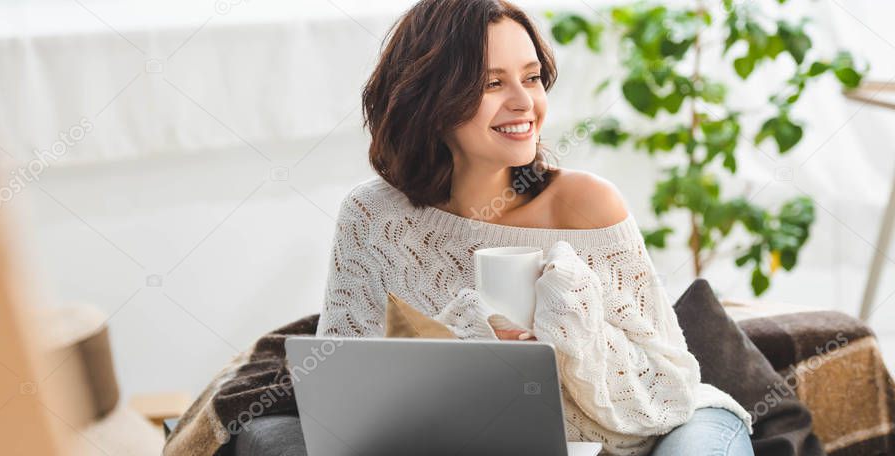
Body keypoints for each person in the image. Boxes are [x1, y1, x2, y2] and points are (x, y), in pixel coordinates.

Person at [317, 1, 754, 454]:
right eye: (492, 83)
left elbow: (670, 391)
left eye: (531, 78)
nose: (524, 102)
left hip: (671, 431)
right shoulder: (374, 218)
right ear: (430, 98)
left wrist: (570, 327)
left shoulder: (586, 206)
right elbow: (343, 398)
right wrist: (474, 343)